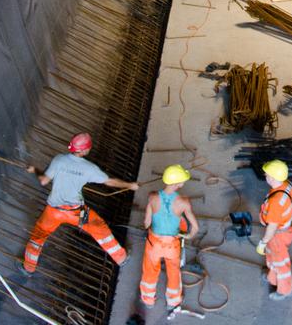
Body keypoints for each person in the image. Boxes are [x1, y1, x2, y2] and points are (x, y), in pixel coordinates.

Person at [22, 132, 138, 272]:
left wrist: (34, 169)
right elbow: (110, 182)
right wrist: (130, 185)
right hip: (76, 211)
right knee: (99, 228)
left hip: (53, 211)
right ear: (84, 150)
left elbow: (44, 180)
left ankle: (28, 268)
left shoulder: (59, 160)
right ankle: (121, 258)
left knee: (38, 236)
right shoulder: (89, 168)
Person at [139, 164, 199, 311]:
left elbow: (146, 223)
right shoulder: (183, 202)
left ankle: (148, 299)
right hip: (172, 245)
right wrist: (186, 235)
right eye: (182, 181)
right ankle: (173, 300)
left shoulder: (152, 197)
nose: (183, 183)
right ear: (177, 184)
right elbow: (195, 228)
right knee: (173, 271)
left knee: (150, 270)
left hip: (154, 243)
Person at [256, 160, 292, 300]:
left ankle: (285, 290)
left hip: (277, 235)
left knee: (280, 262)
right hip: (285, 229)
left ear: (272, 178)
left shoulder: (275, 203)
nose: (265, 176)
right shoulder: (287, 185)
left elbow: (272, 226)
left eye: (266, 175)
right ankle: (272, 277)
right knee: (272, 255)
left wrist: (263, 241)